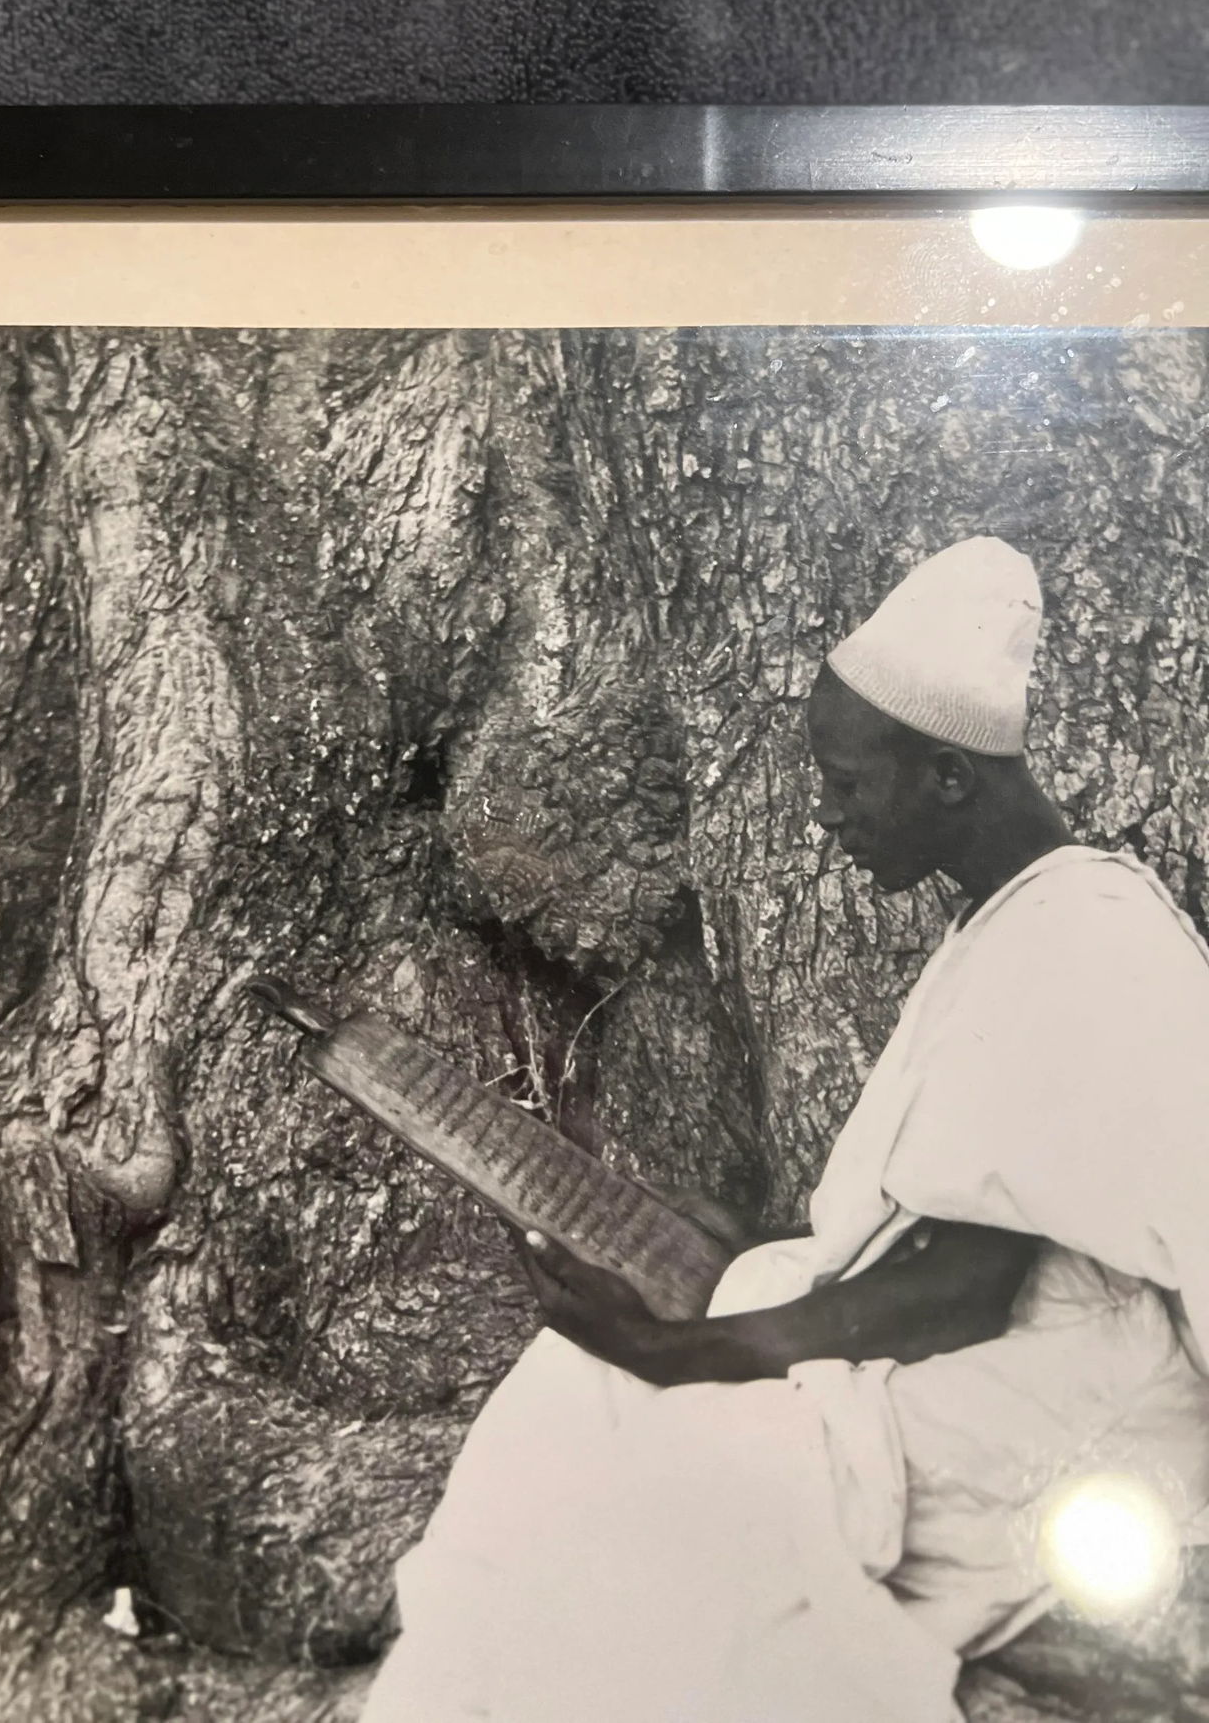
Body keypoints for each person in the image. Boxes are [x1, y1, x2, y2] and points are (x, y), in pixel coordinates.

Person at [361, 537, 1209, 1723]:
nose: (824, 814)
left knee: (683, 1496)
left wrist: (685, 1353)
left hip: (1059, 1387)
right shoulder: (1014, 918)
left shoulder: (1085, 932)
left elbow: (965, 1287)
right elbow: (964, 1201)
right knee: (571, 1396)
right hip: (976, 1326)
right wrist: (741, 1244)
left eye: (846, 782)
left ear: (950, 778)